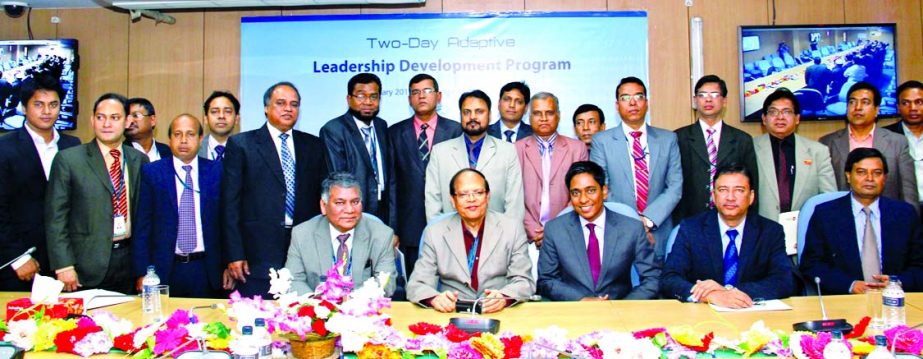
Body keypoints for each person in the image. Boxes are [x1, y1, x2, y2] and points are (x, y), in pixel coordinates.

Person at [222, 81, 329, 297]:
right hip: (256, 255)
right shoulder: (242, 144)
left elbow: (321, 201)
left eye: (294, 104)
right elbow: (229, 205)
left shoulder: (313, 145)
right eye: (281, 103)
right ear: (265, 107)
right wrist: (234, 254)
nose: (288, 109)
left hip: (303, 252)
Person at [46, 93, 149, 293]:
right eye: (101, 117)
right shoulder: (69, 160)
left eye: (114, 117)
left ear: (127, 121)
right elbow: (55, 217)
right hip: (84, 265)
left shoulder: (139, 160)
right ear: (92, 120)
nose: (106, 124)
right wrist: (64, 265)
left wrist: (145, 266)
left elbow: (145, 217)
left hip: (129, 262)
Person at [661, 164, 794, 307]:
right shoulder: (691, 229)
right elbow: (670, 278)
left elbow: (784, 280)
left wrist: (728, 292)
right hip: (703, 316)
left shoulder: (770, 231)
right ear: (714, 196)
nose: (730, 197)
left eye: (739, 190)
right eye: (723, 190)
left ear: (751, 197)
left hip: (752, 315)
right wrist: (709, 296)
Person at [408, 168, 533, 313]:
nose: (472, 199)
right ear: (453, 200)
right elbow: (417, 284)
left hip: (498, 311)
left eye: (478, 193)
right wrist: (435, 299)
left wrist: (504, 297)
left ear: (488, 196)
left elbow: (524, 281)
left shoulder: (512, 229)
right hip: (451, 312)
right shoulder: (435, 232)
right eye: (463, 194)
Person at [800, 148, 923, 294]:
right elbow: (811, 264)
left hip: (895, 299)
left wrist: (897, 283)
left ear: (884, 178)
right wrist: (850, 285)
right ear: (848, 176)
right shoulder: (826, 214)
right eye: (861, 172)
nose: (870, 178)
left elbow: (919, 264)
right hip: (845, 299)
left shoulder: (905, 214)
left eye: (877, 173)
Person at [134, 114, 230, 298]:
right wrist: (142, 271)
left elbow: (226, 222)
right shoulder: (152, 172)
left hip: (207, 268)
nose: (184, 140)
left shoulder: (217, 171)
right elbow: (143, 226)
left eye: (190, 134)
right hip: (165, 269)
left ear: (201, 138)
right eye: (177, 134)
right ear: (169, 139)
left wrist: (228, 264)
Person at [0, 75, 80, 291]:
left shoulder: (72, 146)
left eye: (53, 105)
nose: (47, 111)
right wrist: (17, 257)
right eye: (38, 104)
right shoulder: (5, 148)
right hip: (20, 264)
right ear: (24, 108)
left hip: (65, 262)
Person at [538, 161, 659, 301]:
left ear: (604, 191)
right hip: (572, 312)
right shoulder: (555, 230)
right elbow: (546, 280)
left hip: (620, 314)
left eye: (590, 190)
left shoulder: (631, 228)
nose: (583, 199)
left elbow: (652, 278)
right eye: (576, 192)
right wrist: (582, 300)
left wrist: (624, 307)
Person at [590, 76, 682, 259]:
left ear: (646, 102)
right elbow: (602, 189)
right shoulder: (602, 141)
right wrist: (633, 223)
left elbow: (675, 187)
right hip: (617, 230)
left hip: (658, 230)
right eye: (625, 98)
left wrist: (647, 221)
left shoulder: (668, 139)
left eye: (638, 97)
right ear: (617, 105)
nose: (632, 103)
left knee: (659, 286)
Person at [388, 74, 462, 276]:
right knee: (416, 285)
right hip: (410, 225)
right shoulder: (394, 133)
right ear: (409, 99)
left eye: (427, 91)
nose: (421, 96)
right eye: (415, 92)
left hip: (450, 221)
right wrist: (393, 229)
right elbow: (393, 184)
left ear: (439, 97)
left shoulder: (456, 130)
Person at [285, 172, 396, 296]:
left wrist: (351, 303)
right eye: (340, 203)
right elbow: (293, 279)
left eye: (355, 202)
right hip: (318, 309)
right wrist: (317, 305)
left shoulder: (382, 234)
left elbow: (386, 282)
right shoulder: (302, 234)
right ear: (323, 205)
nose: (349, 210)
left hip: (362, 310)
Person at [514, 92, 587, 278]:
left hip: (567, 233)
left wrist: (553, 230)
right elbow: (512, 196)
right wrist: (533, 230)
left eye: (549, 112)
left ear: (559, 115)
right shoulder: (516, 149)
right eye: (538, 113)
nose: (544, 118)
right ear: (529, 117)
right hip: (528, 237)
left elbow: (580, 197)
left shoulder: (577, 148)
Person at [425, 90, 524, 222]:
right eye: (466, 112)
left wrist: (507, 238)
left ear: (489, 115)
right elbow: (433, 203)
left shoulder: (507, 151)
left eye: (479, 111)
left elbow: (514, 205)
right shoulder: (440, 152)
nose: (472, 117)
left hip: (497, 235)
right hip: (450, 236)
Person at [819, 82, 918, 209]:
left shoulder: (897, 142)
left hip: (887, 220)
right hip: (842, 219)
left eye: (865, 102)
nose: (858, 107)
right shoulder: (827, 143)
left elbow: (908, 191)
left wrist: (911, 224)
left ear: (877, 110)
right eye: (852, 102)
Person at [674, 75, 758, 222]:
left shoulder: (742, 140)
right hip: (689, 219)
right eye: (702, 95)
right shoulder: (678, 138)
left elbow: (752, 185)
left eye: (714, 95)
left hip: (732, 219)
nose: (708, 99)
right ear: (695, 100)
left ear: (724, 101)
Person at [320, 73, 395, 227]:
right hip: (353, 213)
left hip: (383, 213)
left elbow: (391, 177)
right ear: (349, 99)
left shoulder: (382, 126)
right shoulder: (334, 130)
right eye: (361, 96)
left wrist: (392, 225)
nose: (368, 102)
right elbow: (339, 180)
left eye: (374, 96)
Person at [754, 89, 836, 221]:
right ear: (764, 119)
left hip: (804, 230)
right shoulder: (750, 148)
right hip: (761, 231)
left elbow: (828, 198)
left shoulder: (818, 151)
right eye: (773, 112)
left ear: (797, 118)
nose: (780, 117)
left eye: (787, 112)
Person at [884, 80, 923, 221]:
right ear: (898, 107)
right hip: (900, 211)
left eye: (919, 102)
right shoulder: (885, 136)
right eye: (906, 103)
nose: (913, 108)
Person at [125, 97, 171, 162]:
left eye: (136, 115)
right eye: (126, 117)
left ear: (152, 120)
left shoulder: (168, 152)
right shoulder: (119, 152)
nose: (130, 121)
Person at [198, 91, 240, 161]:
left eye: (227, 111)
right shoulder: (194, 149)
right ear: (206, 119)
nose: (221, 116)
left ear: (236, 119)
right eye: (214, 111)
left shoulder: (248, 151)